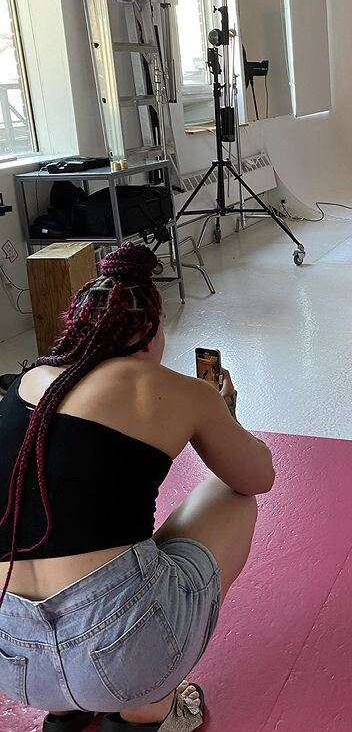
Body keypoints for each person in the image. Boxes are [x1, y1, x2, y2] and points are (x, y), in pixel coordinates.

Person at [0, 243, 274, 732]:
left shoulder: (29, 381)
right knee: (229, 496)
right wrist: (222, 414)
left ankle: (64, 711)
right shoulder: (178, 390)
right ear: (152, 329)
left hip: (15, 664)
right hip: (122, 656)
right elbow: (257, 476)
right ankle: (148, 709)